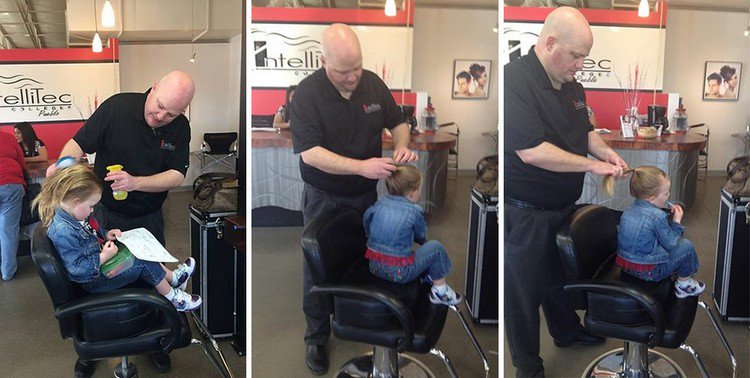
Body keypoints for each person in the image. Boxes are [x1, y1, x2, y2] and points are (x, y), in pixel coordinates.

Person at [504, 7, 629, 377]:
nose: (580, 65)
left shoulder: (573, 85)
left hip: (562, 204)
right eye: (576, 56)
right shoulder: (516, 81)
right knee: (523, 294)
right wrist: (592, 166)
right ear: (550, 43)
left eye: (585, 58)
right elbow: (531, 150)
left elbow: (583, 132)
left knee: (558, 278)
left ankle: (566, 332)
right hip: (524, 210)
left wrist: (604, 152)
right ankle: (527, 365)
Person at [45, 70, 194, 374]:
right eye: (159, 106)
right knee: (104, 279)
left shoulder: (179, 127)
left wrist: (136, 182)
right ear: (153, 88)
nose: (161, 116)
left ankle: (156, 344)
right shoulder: (116, 108)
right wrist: (62, 166)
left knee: (149, 273)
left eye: (172, 113)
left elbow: (178, 176)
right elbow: (77, 145)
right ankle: (91, 350)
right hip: (102, 213)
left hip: (149, 212)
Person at [290, 23, 418, 375]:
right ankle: (316, 336)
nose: (353, 77)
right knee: (316, 266)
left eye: (358, 67)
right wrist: (361, 166)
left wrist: (402, 144)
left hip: (365, 195)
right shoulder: (307, 94)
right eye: (345, 71)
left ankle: (358, 317)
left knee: (363, 259)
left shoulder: (373, 83)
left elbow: (398, 121)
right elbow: (310, 153)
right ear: (324, 60)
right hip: (323, 197)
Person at [34, 163, 201, 307]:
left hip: (99, 266)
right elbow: (78, 270)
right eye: (90, 205)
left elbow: (92, 231)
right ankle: (173, 299)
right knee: (142, 262)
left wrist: (107, 234)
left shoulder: (74, 212)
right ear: (75, 201)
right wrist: (104, 256)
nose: (92, 210)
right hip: (95, 280)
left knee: (139, 249)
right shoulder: (64, 230)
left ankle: (174, 278)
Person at [364, 165, 461, 305]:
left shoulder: (378, 204)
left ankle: (428, 274)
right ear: (413, 192)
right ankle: (440, 292)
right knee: (435, 247)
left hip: (374, 267)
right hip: (399, 273)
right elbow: (421, 234)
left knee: (405, 250)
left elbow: (367, 220)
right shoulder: (414, 211)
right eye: (419, 190)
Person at [616, 166, 705, 297]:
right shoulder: (657, 216)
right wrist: (676, 222)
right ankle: (684, 285)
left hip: (628, 268)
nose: (669, 195)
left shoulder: (628, 211)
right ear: (652, 198)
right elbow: (671, 244)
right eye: (666, 193)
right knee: (686, 246)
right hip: (650, 272)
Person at [0, 131, 26, 281]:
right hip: (11, 185)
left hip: (10, 184)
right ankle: (7, 272)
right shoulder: (8, 137)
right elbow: (22, 163)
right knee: (8, 230)